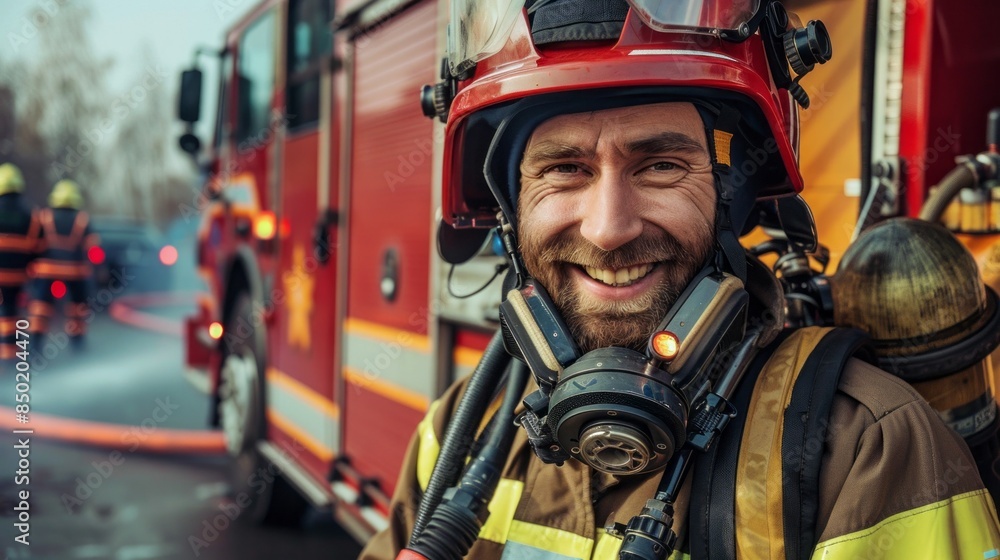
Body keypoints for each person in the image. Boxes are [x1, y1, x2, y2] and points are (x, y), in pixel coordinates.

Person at [362, 0, 1000, 558]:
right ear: (510, 210)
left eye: (661, 165)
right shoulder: (460, 432)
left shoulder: (870, 454)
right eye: (565, 170)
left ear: (735, 200)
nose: (608, 229)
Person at [27, 179, 98, 350]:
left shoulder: (44, 216)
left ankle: (36, 345)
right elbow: (93, 248)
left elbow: (34, 244)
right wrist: (97, 268)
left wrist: (30, 264)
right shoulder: (82, 219)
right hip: (76, 272)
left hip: (47, 271)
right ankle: (78, 344)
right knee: (77, 307)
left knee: (41, 306)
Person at [0, 163, 41, 362]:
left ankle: (8, 353)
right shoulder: (31, 215)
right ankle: (13, 353)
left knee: (6, 312)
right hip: (19, 275)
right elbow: (39, 248)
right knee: (12, 310)